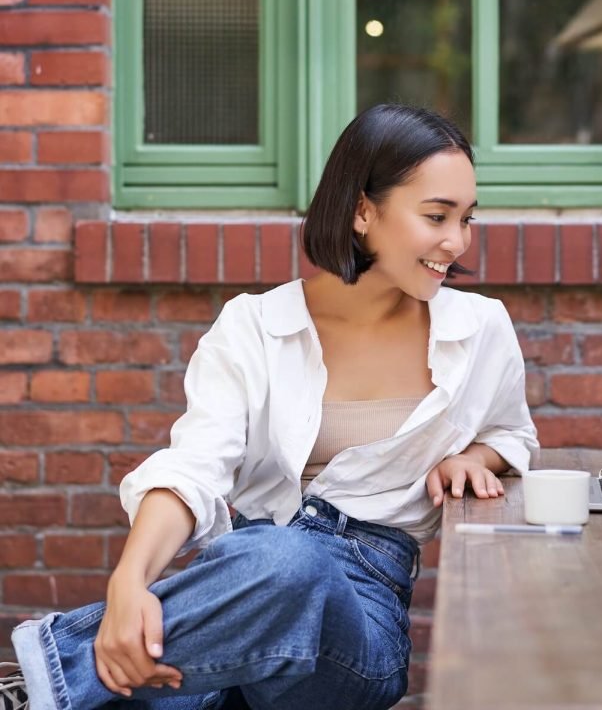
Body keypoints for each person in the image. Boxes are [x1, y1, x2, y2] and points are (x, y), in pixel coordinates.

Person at [1, 104, 538, 710]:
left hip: (359, 625)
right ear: (363, 211)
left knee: (290, 561)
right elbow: (195, 467)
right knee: (253, 574)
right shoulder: (254, 324)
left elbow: (513, 432)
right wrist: (129, 580)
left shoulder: (479, 327)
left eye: (467, 218)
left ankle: (44, 681)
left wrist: (481, 454)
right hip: (245, 591)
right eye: (437, 216)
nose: (457, 241)